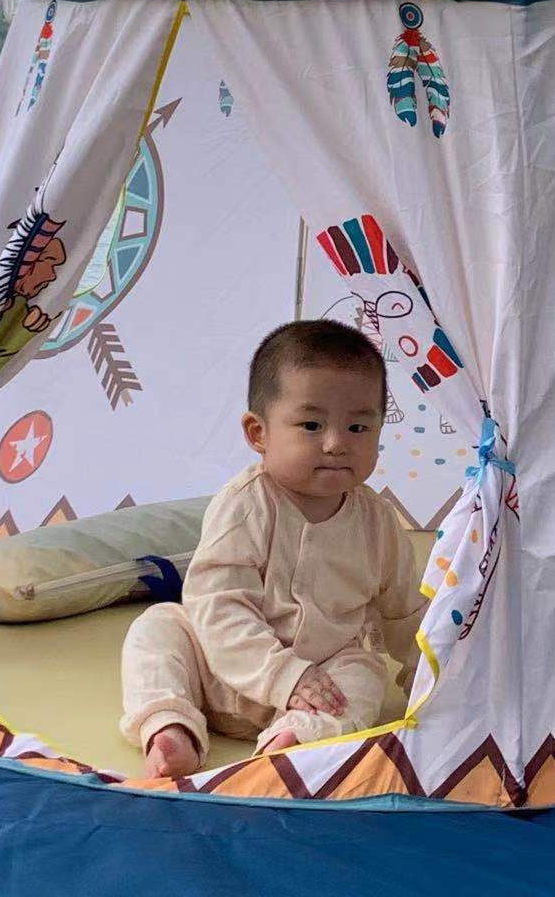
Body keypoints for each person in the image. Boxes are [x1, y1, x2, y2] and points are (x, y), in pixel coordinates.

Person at [119, 319, 426, 779]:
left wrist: (434, 675)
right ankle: (171, 727)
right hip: (218, 671)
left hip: (321, 681)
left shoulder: (378, 521)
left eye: (359, 426)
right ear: (258, 433)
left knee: (364, 672)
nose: (337, 443)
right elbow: (219, 608)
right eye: (310, 424)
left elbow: (406, 614)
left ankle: (292, 740)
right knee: (158, 628)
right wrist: (284, 675)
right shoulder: (245, 506)